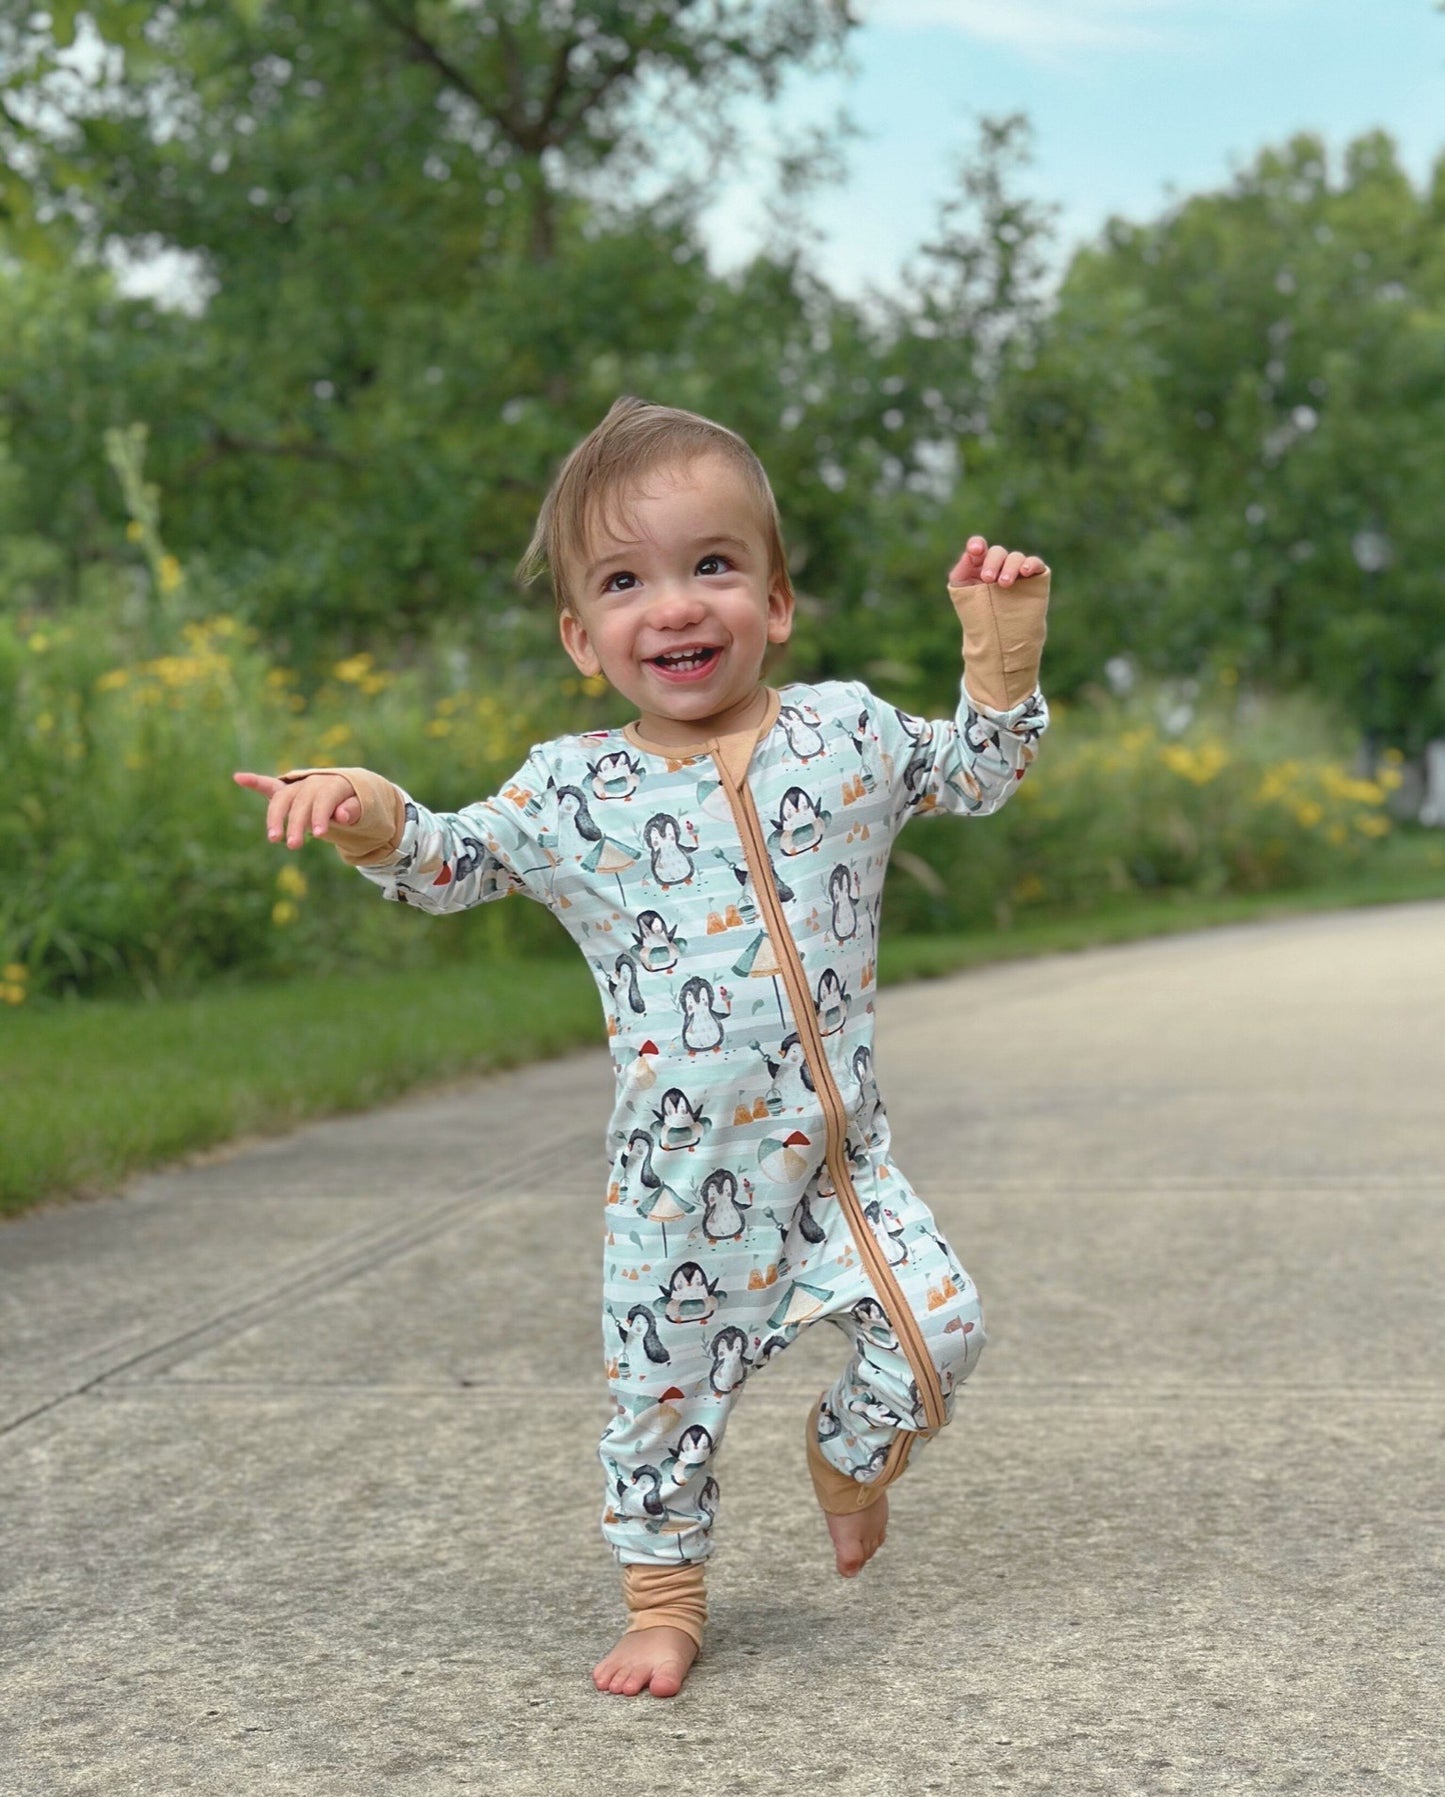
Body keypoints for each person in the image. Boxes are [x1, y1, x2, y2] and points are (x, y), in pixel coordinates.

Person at [234, 396, 1051, 1701]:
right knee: (659, 1407)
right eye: (625, 582)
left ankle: (848, 1458)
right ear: (580, 637)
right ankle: (665, 1603)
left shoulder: (842, 738)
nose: (672, 606)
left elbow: (979, 771)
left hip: (840, 1170)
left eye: (711, 567)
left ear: (775, 602)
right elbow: (455, 860)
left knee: (940, 1330)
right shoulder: (575, 795)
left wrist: (998, 657)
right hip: (679, 1193)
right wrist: (369, 814)